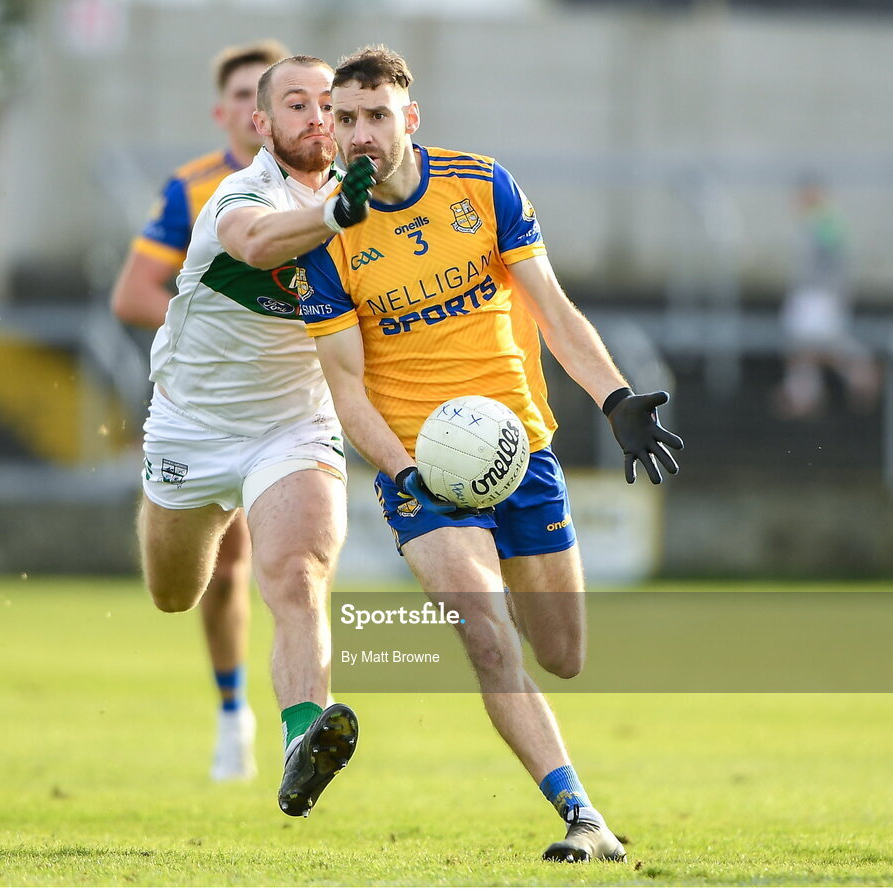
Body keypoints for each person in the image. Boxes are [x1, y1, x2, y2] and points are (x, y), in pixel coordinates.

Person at [297, 46, 682, 861]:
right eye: (345, 119)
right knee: (483, 630)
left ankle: (582, 809)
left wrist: (615, 398)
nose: (360, 134)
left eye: (376, 116)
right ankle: (584, 819)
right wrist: (408, 475)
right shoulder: (322, 239)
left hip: (519, 452)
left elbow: (553, 310)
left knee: (563, 654)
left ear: (411, 116)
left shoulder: (483, 185)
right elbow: (346, 393)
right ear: (330, 125)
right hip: (419, 469)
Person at [138, 52, 376, 817]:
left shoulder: (371, 197)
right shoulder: (241, 192)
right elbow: (255, 243)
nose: (316, 118)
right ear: (260, 124)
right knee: (175, 595)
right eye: (297, 104)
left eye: (328, 107)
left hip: (292, 424)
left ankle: (303, 741)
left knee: (297, 576)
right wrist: (334, 217)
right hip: (192, 426)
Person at [111, 40, 287, 782]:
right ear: (224, 113)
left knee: (292, 562)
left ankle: (302, 721)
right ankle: (231, 712)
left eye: (267, 95)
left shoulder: (325, 187)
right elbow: (133, 293)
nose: (256, 110)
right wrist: (218, 324)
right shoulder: (191, 190)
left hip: (290, 404)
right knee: (221, 573)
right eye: (242, 96)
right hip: (206, 406)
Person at [775, 176, 880, 419]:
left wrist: (831, 295)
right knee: (803, 345)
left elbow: (833, 266)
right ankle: (806, 389)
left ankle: (858, 371)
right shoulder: (815, 223)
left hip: (818, 296)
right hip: (812, 296)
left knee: (813, 343)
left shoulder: (826, 223)